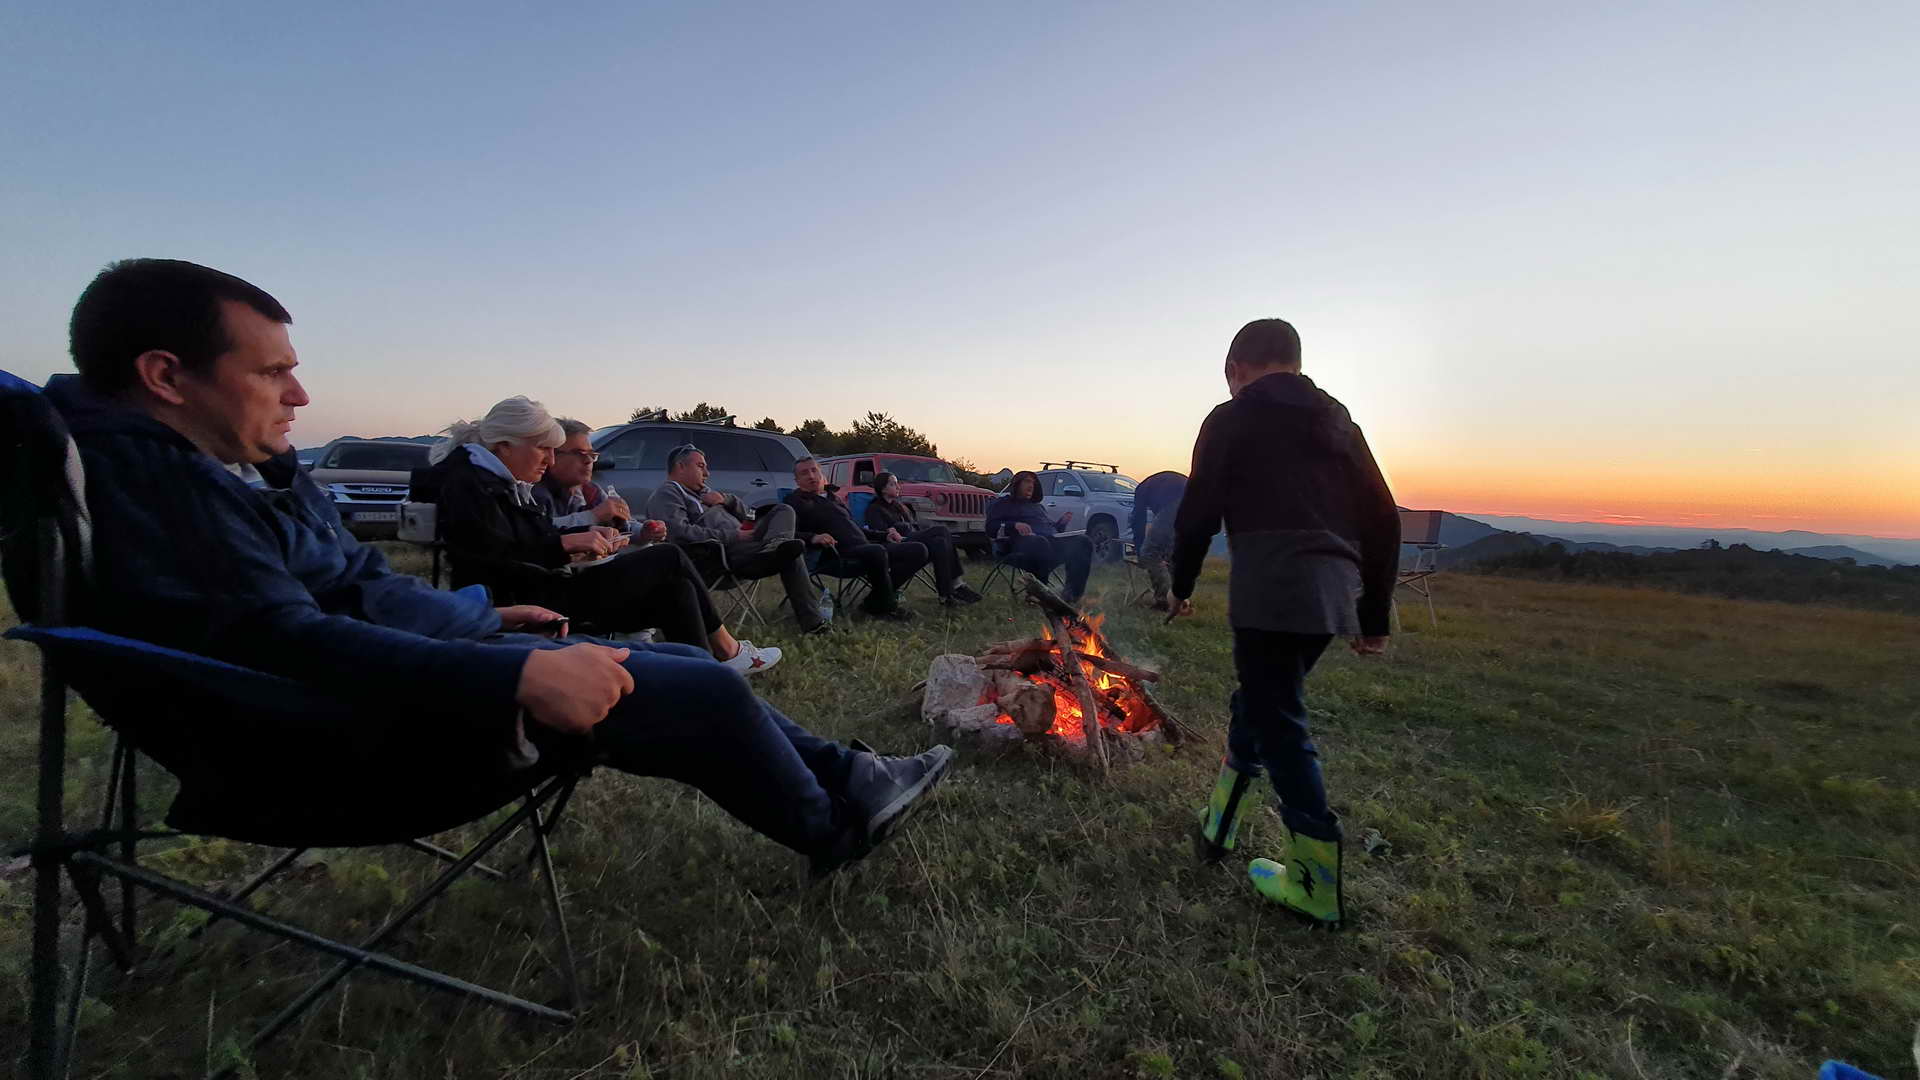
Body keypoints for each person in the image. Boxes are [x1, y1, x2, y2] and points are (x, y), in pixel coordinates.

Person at [49, 257, 950, 878]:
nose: (300, 395)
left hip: (389, 688)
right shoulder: (156, 489)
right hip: (335, 743)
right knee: (699, 685)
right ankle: (835, 829)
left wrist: (482, 622)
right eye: (271, 372)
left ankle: (852, 775)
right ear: (166, 375)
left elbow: (351, 591)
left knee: (674, 659)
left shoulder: (220, 474)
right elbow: (289, 644)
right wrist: (514, 671)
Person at [1174, 318, 1400, 927]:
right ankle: (1218, 825)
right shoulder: (1337, 419)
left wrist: (1180, 585)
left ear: (1234, 368)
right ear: (1295, 363)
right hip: (1331, 595)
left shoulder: (1231, 417)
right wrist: (1372, 612)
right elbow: (1383, 517)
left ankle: (1314, 884)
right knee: (1258, 702)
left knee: (1280, 724)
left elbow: (1198, 512)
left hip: (1271, 588)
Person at [426, 396, 783, 677]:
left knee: (675, 591)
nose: (549, 460)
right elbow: (486, 557)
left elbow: (518, 539)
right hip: (525, 606)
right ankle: (727, 652)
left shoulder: (493, 479)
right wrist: (563, 545)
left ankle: (703, 678)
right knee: (667, 557)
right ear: (505, 445)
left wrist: (580, 539)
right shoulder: (470, 483)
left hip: (543, 586)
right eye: (543, 449)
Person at [644, 444, 825, 634]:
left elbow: (749, 515)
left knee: (784, 510)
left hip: (748, 545)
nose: (707, 473)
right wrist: (734, 535)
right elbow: (679, 532)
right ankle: (814, 624)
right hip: (719, 557)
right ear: (681, 467)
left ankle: (775, 547)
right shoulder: (667, 494)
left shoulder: (705, 493)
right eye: (700, 466)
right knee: (791, 552)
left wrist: (726, 500)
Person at [784, 457, 928, 623]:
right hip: (835, 554)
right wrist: (813, 537)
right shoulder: (794, 502)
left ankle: (873, 602)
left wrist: (883, 535)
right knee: (877, 552)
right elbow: (788, 533)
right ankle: (886, 607)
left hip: (864, 547)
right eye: (804, 473)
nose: (811, 476)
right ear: (797, 480)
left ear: (821, 473)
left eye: (814, 470)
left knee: (918, 550)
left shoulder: (833, 498)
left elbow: (855, 528)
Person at [863, 471, 982, 606]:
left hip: (912, 538)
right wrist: (890, 533)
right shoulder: (874, 509)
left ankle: (946, 594)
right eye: (893, 484)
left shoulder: (898, 507)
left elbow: (913, 526)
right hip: (901, 544)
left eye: (897, 483)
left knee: (940, 542)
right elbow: (879, 533)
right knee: (942, 531)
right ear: (883, 489)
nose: (898, 487)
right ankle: (957, 586)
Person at [983, 471, 1094, 604]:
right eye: (1027, 481)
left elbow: (1050, 529)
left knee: (1083, 541)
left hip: (1048, 546)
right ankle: (1038, 594)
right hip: (1015, 547)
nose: (1031, 485)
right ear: (1016, 484)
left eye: (1033, 483)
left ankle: (1071, 595)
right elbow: (991, 528)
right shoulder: (1002, 503)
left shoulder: (1037, 507)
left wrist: (1061, 524)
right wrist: (1014, 525)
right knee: (1040, 542)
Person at [534, 417, 653, 538]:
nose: (588, 460)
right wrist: (594, 516)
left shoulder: (590, 491)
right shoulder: (534, 491)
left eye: (591, 454)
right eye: (578, 453)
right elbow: (537, 531)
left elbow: (623, 527)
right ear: (552, 454)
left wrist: (643, 531)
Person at [1129, 470, 1190, 613]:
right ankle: (1180, 599)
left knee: (1149, 553)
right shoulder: (1155, 487)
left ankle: (1164, 601)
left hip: (1177, 502)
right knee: (1172, 555)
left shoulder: (1141, 490)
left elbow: (1138, 520)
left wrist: (1139, 551)